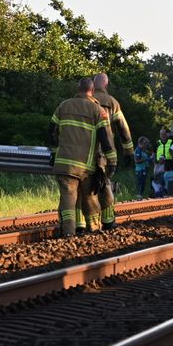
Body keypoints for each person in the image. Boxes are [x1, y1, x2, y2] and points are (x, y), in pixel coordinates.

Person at [46, 77, 114, 237]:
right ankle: (94, 230)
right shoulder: (97, 110)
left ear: (78, 88)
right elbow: (105, 137)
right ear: (91, 90)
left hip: (65, 164)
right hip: (86, 166)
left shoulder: (63, 105)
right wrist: (111, 160)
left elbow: (51, 131)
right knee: (90, 199)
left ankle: (68, 233)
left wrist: (54, 152)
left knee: (67, 200)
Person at [92, 72, 133, 229]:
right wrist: (128, 152)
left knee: (86, 186)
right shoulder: (112, 102)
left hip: (85, 150)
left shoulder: (85, 101)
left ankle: (86, 223)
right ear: (106, 85)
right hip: (106, 152)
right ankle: (108, 221)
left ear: (93, 85)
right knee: (105, 183)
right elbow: (124, 129)